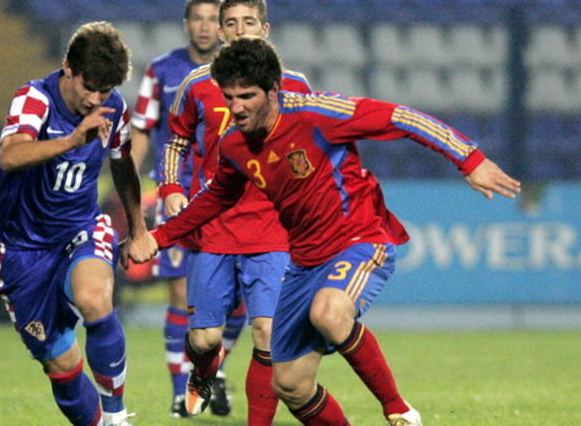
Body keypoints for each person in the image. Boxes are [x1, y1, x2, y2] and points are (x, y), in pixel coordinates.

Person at [127, 36, 521, 425]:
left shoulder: (317, 114)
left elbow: (401, 117)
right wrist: (157, 238)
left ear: (273, 90)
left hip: (359, 240)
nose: (235, 108)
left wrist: (468, 158)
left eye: (246, 96)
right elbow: (215, 199)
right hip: (303, 263)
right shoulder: (234, 144)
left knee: (329, 313)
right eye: (229, 97)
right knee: (291, 385)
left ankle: (399, 410)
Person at [157, 0, 311, 423]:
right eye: (231, 22)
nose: (239, 29)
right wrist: (171, 188)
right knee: (204, 339)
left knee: (267, 332)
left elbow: (313, 147)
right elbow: (175, 141)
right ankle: (203, 373)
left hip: (273, 229)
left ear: (265, 30)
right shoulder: (196, 84)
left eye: (249, 21)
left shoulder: (295, 85)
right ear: (221, 31)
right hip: (215, 226)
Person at [0, 22, 152, 426]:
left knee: (95, 299)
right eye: (89, 87)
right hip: (23, 248)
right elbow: (11, 156)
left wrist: (138, 228)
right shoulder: (34, 98)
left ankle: (116, 417)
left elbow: (122, 164)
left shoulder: (113, 107)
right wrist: (71, 140)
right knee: (60, 365)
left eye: (105, 89)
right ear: (68, 68)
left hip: (81, 228)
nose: (95, 99)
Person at [130, 0, 242, 418]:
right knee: (181, 294)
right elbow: (142, 129)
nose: (205, 26)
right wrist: (129, 188)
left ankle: (211, 372)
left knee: (238, 303)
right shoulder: (161, 70)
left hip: (230, 197)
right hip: (177, 195)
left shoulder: (240, 70)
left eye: (213, 19)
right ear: (186, 24)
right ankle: (183, 391)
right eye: (197, 18)